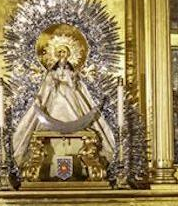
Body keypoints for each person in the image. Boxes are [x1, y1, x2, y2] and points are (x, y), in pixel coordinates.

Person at [12, 31, 115, 168]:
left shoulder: (71, 72)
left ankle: (74, 122)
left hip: (71, 100)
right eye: (59, 52)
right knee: (59, 94)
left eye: (64, 52)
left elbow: (75, 86)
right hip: (53, 104)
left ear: (69, 55)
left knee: (68, 94)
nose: (62, 55)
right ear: (55, 55)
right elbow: (47, 87)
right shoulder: (51, 72)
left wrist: (71, 81)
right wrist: (53, 83)